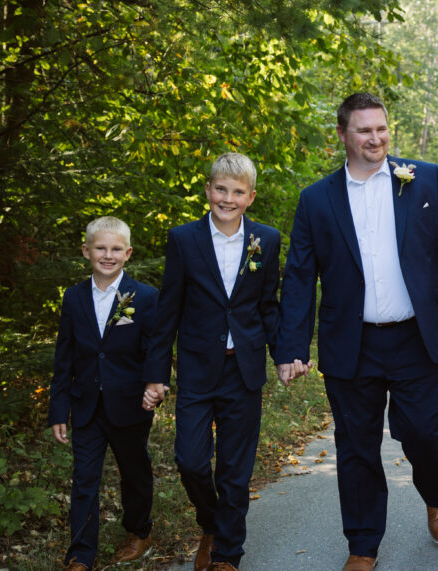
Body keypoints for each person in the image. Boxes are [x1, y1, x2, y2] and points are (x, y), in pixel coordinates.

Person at [275, 92, 438, 571]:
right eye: (364, 131)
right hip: (351, 344)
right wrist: (291, 347)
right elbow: (298, 277)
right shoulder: (316, 200)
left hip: (419, 337)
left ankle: (436, 494)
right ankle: (363, 544)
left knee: (424, 433)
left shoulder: (424, 179)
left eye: (381, 128)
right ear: (342, 136)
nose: (376, 138)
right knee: (355, 447)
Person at [142, 153, 285, 571]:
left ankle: (227, 554)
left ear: (250, 197)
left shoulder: (266, 240)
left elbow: (268, 305)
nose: (228, 198)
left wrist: (283, 355)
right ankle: (210, 522)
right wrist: (156, 374)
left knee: (235, 470)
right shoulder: (184, 239)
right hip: (197, 367)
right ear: (208, 190)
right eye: (221, 189)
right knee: (189, 459)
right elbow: (168, 310)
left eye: (237, 192)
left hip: (243, 368)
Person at [48, 216, 159, 571]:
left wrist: (153, 386)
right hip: (86, 405)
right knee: (84, 480)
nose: (107, 255)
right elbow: (64, 355)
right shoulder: (74, 297)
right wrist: (57, 408)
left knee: (134, 472)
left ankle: (139, 531)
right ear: (86, 251)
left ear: (127, 253)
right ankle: (80, 553)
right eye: (100, 248)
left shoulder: (144, 297)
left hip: (129, 403)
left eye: (115, 249)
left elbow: (154, 349)